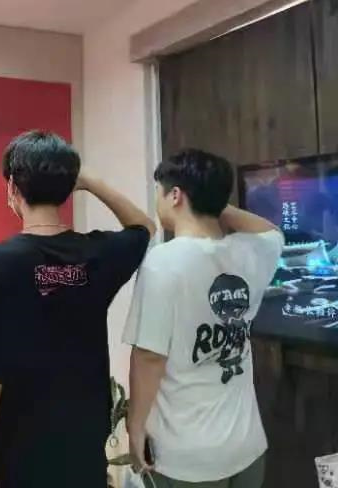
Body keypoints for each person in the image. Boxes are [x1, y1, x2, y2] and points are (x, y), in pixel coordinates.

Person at [0, 130, 156, 488]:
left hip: (20, 441)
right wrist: (90, 182)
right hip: (84, 435)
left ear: (12, 187)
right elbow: (143, 226)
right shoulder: (97, 254)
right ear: (69, 189)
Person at [124, 148, 284, 488]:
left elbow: (150, 356)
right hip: (246, 446)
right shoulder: (250, 251)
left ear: (175, 195)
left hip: (185, 457)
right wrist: (211, 199)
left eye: (159, 191)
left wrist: (135, 427)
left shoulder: (162, 262)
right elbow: (272, 232)